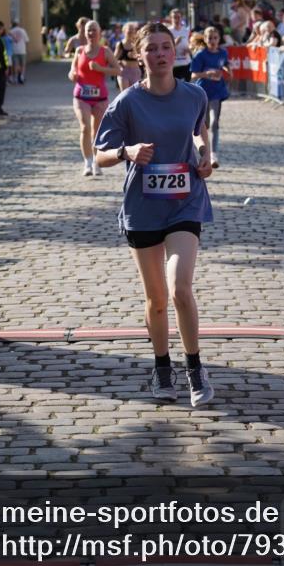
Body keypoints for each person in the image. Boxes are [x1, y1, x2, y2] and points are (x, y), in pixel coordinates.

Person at [94, 22, 215, 406]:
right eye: (152, 49)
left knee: (180, 286)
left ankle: (195, 366)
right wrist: (126, 152)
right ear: (139, 55)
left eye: (166, 48)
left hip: (185, 201)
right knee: (157, 299)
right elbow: (101, 154)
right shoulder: (127, 102)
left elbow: (199, 132)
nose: (161, 55)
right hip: (143, 207)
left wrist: (205, 154)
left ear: (175, 51)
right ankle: (162, 366)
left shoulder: (195, 95)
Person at [68, 20, 119, 176]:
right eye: (88, 30)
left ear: (100, 32)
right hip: (81, 95)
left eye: (94, 30)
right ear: (84, 32)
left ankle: (97, 161)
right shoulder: (79, 51)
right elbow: (72, 71)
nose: (91, 33)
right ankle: (87, 163)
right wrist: (72, 75)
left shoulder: (106, 52)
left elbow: (117, 70)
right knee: (85, 127)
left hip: (100, 97)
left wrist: (100, 68)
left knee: (97, 131)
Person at [190, 25, 231, 168]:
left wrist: (227, 70)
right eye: (210, 38)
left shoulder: (223, 53)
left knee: (214, 123)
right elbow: (193, 75)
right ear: (205, 39)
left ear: (219, 39)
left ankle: (213, 154)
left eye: (215, 38)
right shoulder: (201, 55)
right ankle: (202, 151)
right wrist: (206, 74)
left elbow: (225, 64)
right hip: (203, 92)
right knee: (204, 124)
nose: (213, 40)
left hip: (217, 92)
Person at [114, 22, 141, 91]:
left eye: (132, 30)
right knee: (125, 93)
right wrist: (119, 63)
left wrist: (136, 56)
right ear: (124, 31)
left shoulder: (137, 44)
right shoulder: (120, 44)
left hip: (135, 72)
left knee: (135, 93)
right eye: (129, 30)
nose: (131, 32)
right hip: (124, 72)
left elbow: (142, 58)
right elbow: (113, 59)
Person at [167, 9, 191, 81]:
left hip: (186, 63)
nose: (177, 19)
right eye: (175, 17)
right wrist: (175, 43)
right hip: (174, 64)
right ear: (171, 19)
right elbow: (165, 48)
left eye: (179, 17)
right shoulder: (168, 31)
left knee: (187, 87)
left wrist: (189, 50)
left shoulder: (186, 31)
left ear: (181, 18)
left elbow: (191, 45)